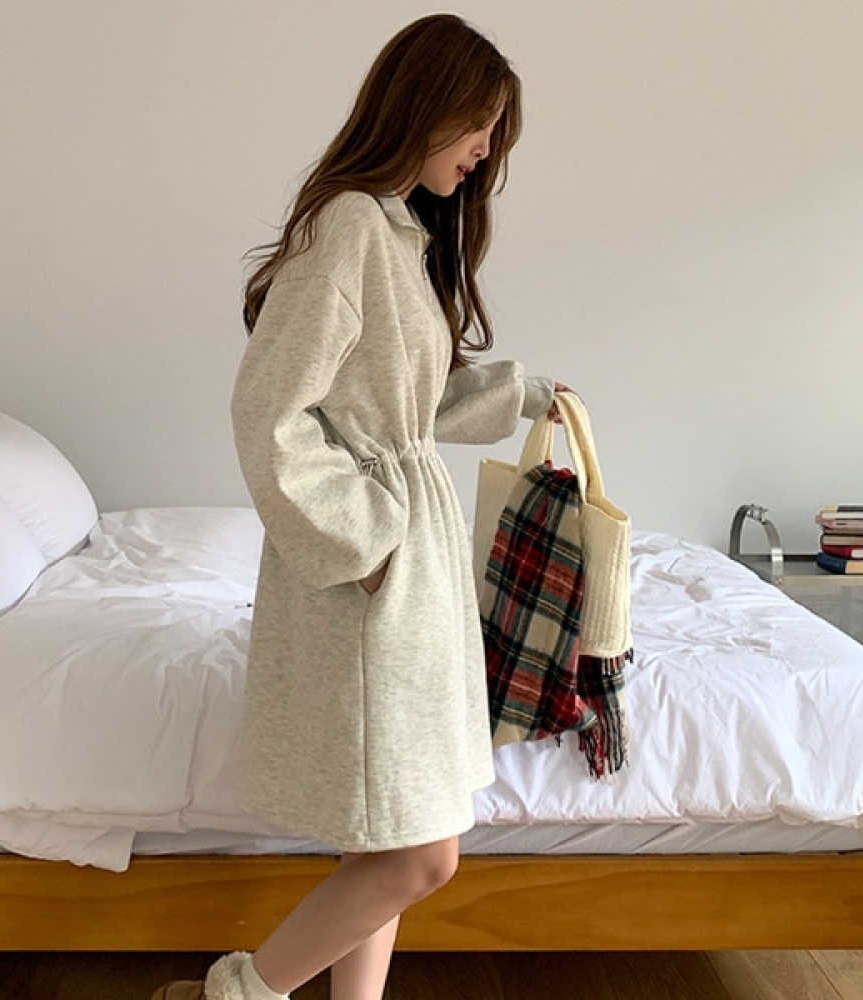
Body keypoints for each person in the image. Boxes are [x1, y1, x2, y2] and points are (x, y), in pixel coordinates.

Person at [153, 13, 564, 1000]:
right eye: (479, 127)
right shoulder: (349, 228)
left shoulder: (393, 231)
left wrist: (523, 394)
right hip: (372, 575)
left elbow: (396, 403)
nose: (484, 152)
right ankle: (234, 994)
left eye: (495, 136)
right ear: (426, 105)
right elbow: (270, 415)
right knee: (422, 852)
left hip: (404, 566)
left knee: (387, 840)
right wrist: (370, 543)